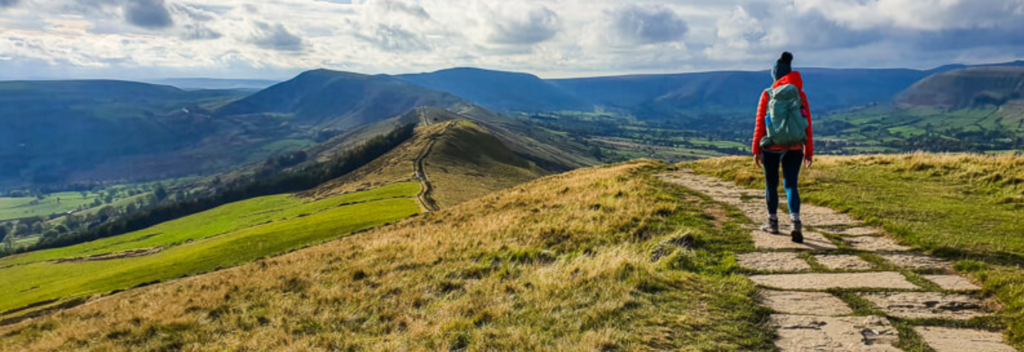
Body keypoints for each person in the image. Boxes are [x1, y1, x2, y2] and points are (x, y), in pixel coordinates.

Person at [752, 52, 814, 243]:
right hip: (795, 146)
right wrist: (808, 150)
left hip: (772, 146)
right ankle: (795, 223)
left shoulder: (768, 94)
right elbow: (807, 123)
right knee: (791, 185)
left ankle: (773, 222)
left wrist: (756, 149)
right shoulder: (800, 94)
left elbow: (760, 123)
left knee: (771, 184)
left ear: (775, 75)